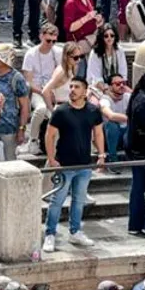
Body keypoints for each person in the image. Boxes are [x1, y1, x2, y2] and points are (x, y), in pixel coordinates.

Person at [42, 76, 105, 252]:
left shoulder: (93, 111)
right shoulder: (61, 111)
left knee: (78, 201)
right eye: (71, 86)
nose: (72, 90)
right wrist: (51, 158)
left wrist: (101, 154)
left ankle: (75, 231)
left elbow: (98, 133)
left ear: (85, 91)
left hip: (84, 164)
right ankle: (50, 234)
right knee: (57, 201)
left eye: (76, 87)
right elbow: (50, 135)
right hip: (65, 164)